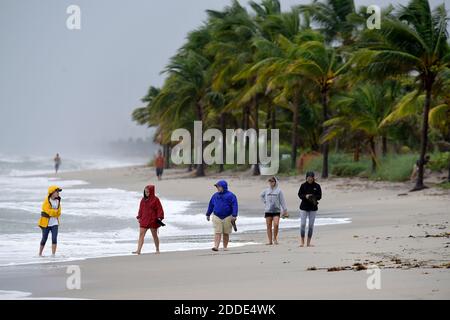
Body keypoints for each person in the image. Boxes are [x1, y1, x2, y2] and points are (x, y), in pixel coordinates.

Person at [206, 180, 238, 252]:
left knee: (226, 233)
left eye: (219, 186)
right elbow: (211, 205)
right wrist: (208, 214)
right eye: (217, 187)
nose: (217, 188)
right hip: (216, 216)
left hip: (228, 216)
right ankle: (216, 247)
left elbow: (234, 206)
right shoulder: (215, 196)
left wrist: (234, 215)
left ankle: (225, 247)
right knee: (217, 232)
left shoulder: (231, 196)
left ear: (223, 187)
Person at [133, 185, 164, 254]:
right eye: (145, 192)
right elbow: (140, 209)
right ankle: (138, 250)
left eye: (148, 192)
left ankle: (157, 249)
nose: (146, 193)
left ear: (151, 192)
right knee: (141, 234)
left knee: (154, 235)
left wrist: (159, 218)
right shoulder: (143, 200)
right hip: (144, 220)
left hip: (153, 220)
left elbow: (160, 209)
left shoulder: (156, 200)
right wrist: (139, 217)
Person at [260, 176, 288, 245]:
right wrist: (265, 202)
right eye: (270, 181)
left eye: (272, 181)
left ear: (275, 182)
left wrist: (285, 210)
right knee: (268, 226)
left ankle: (275, 238)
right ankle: (270, 241)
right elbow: (261, 195)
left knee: (276, 224)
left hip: (276, 211)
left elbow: (282, 201)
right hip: (268, 211)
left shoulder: (279, 191)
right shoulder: (266, 190)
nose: (271, 183)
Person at [298, 171, 322, 247]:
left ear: (313, 178)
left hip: (313, 208)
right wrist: (306, 196)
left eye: (311, 177)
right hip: (304, 207)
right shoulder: (303, 185)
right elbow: (299, 195)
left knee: (311, 225)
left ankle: (308, 243)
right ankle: (302, 242)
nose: (310, 179)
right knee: (303, 224)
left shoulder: (317, 186)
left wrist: (313, 196)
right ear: (306, 178)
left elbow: (320, 196)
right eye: (308, 177)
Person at [38, 186, 62, 257]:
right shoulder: (46, 201)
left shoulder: (58, 201)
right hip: (46, 223)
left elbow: (59, 212)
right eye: (57, 192)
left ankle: (53, 254)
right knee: (44, 238)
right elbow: (47, 211)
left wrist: (53, 212)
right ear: (52, 192)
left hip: (55, 223)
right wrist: (54, 212)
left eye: (58, 192)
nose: (58, 193)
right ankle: (40, 254)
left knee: (54, 238)